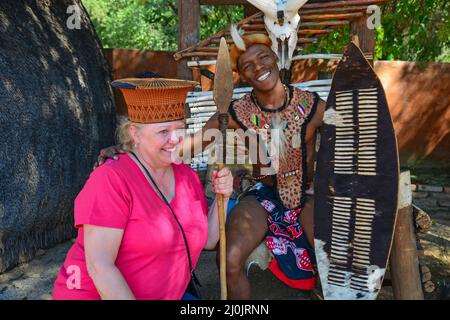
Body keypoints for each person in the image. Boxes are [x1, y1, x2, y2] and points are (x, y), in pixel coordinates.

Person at [98, 27, 326, 300]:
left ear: (276, 58)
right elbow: (187, 146)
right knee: (229, 259)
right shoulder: (236, 112)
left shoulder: (313, 105)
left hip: (309, 195)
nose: (259, 68)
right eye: (248, 66)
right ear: (242, 75)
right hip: (264, 196)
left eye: (264, 58)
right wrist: (131, 150)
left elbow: (356, 138)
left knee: (335, 260)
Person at [52, 77, 233, 300]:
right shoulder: (110, 179)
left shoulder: (187, 176)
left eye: (180, 128)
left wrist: (222, 197)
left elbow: (208, 240)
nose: (175, 139)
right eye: (163, 132)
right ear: (135, 134)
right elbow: (100, 267)